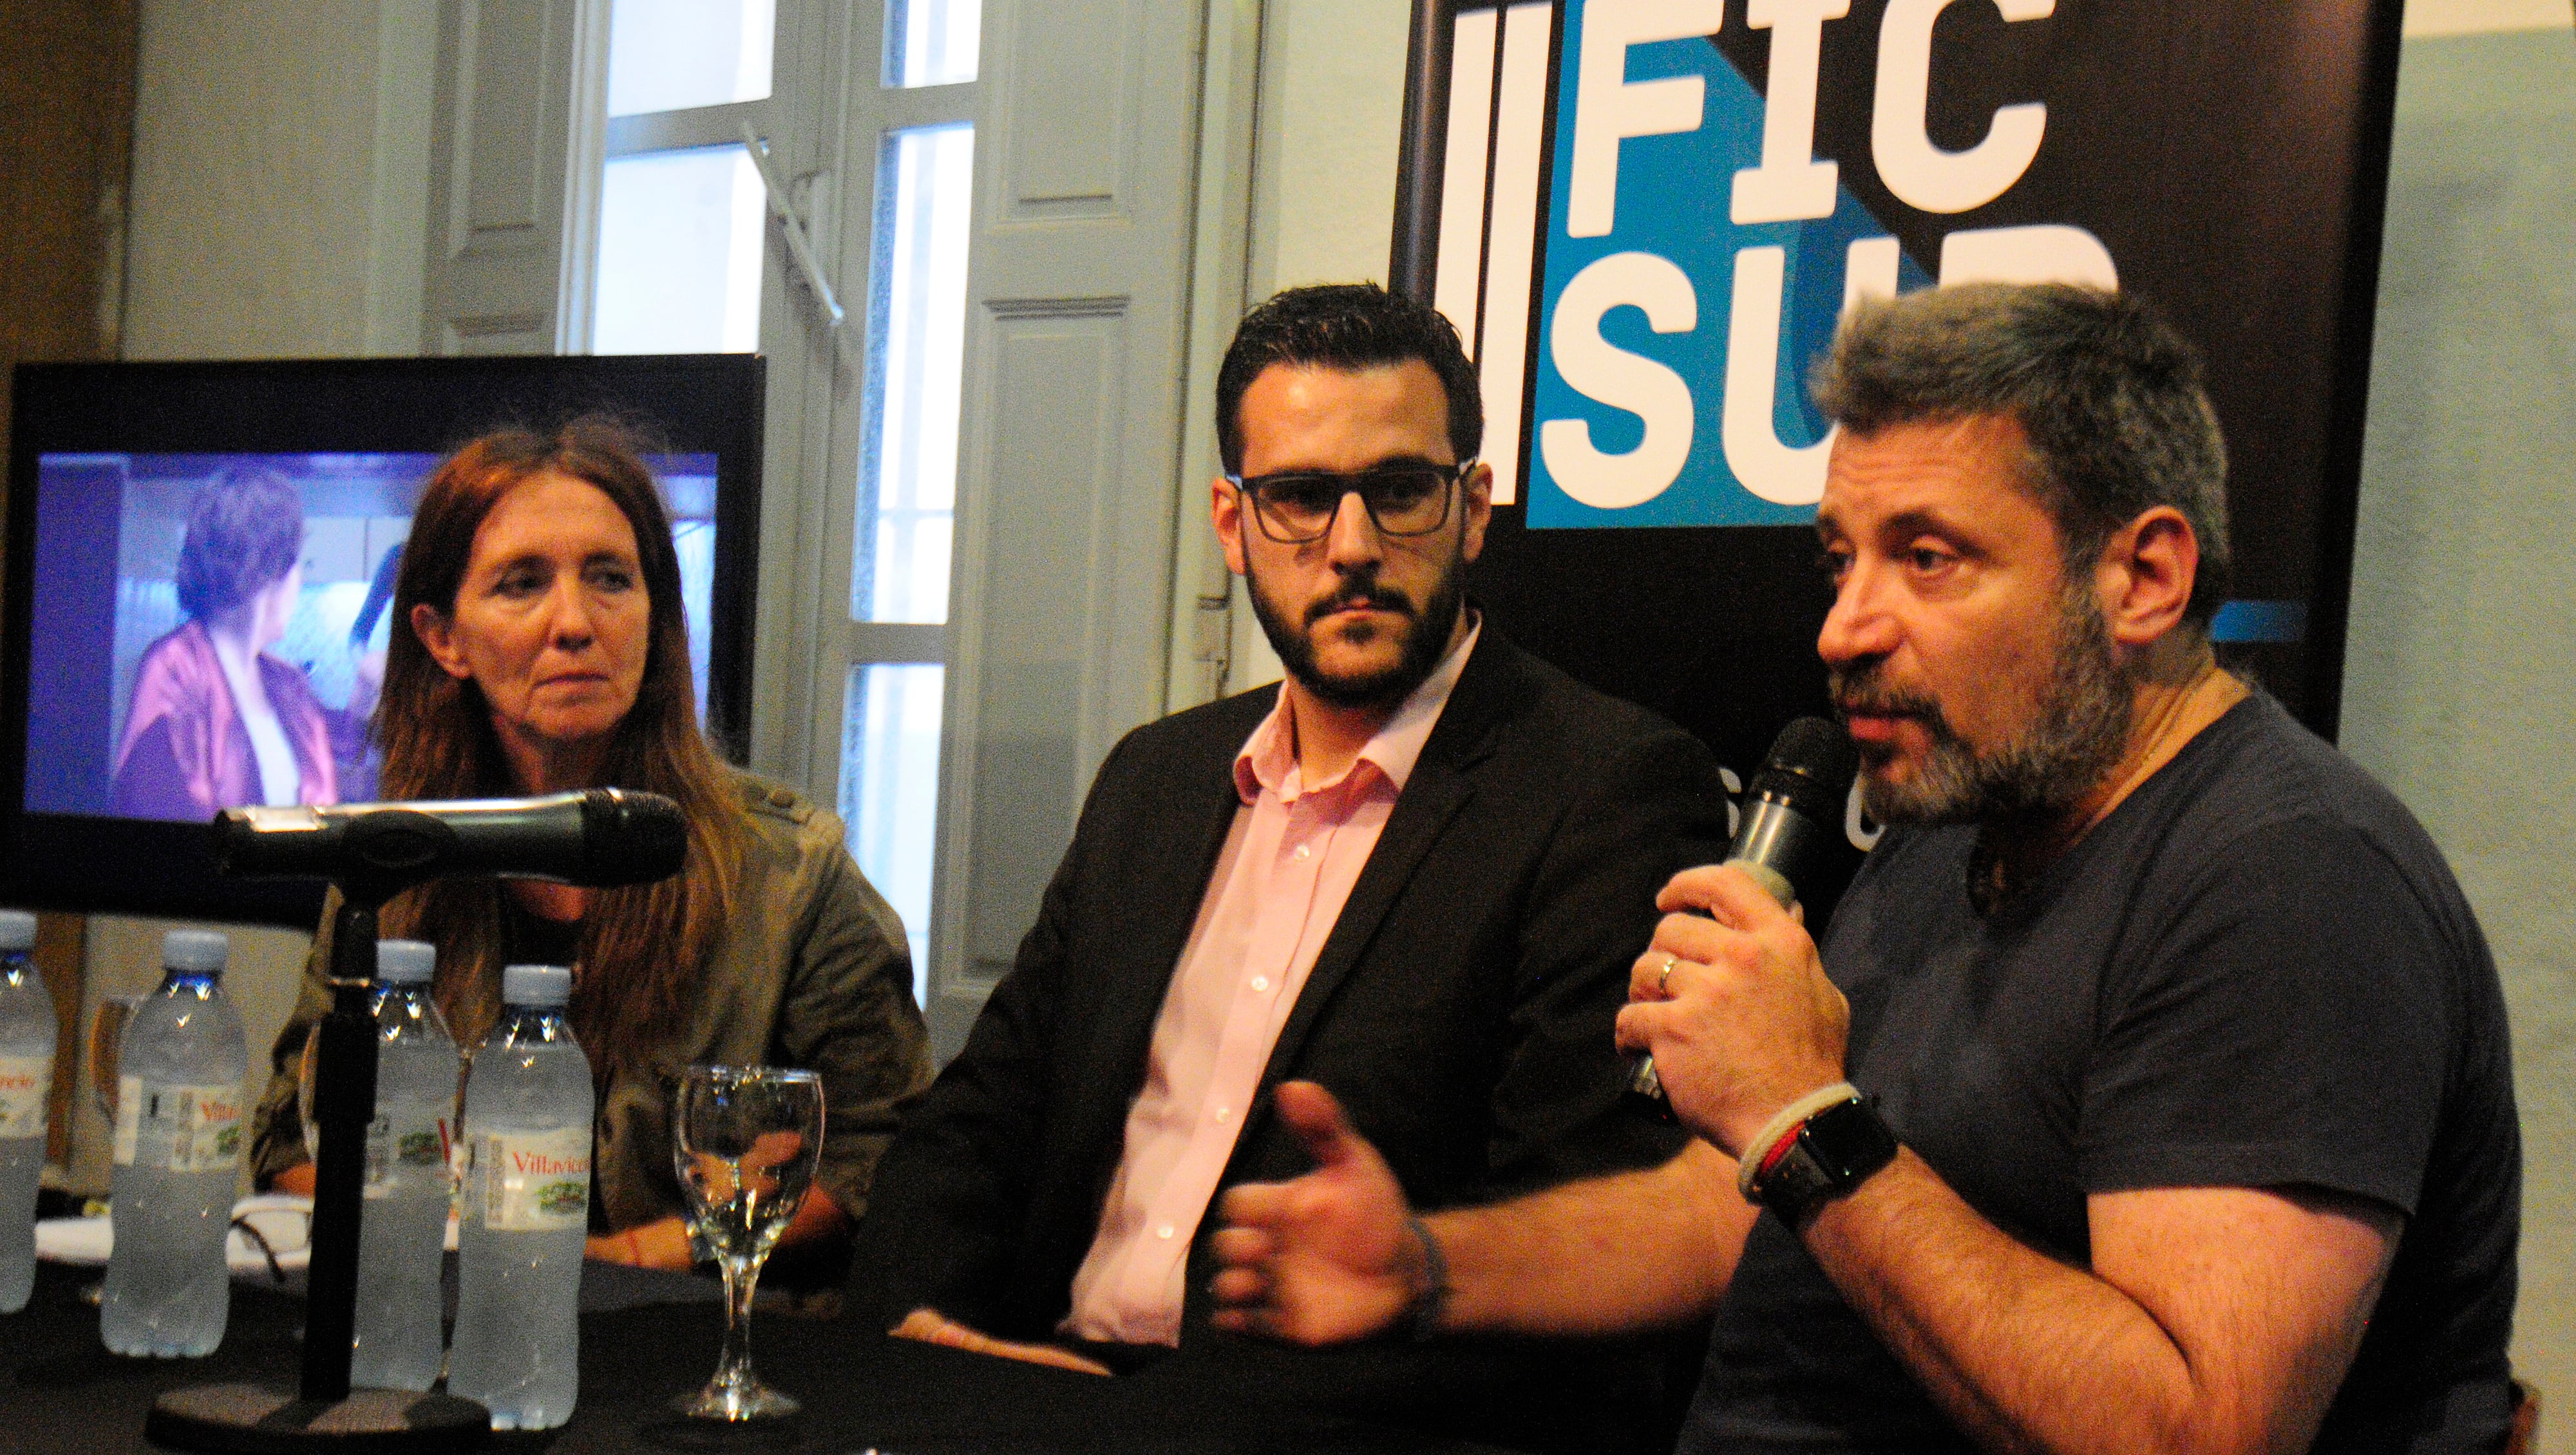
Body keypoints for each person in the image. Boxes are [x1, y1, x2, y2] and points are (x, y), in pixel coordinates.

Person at [1209, 283, 2521, 1454]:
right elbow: (1728, 1220)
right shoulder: (1954, 827)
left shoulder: (2288, 879)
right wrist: (1425, 1266)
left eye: (1927, 559)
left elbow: (2195, 1426)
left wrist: (1801, 1118)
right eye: (1841, 560)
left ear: (2143, 577)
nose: (1844, 627)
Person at [851, 284, 1724, 1448]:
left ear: (1472, 511)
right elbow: (979, 1122)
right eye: (1302, 498)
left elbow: (1573, 1259)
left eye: (1399, 492)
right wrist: (921, 1334)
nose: (1352, 546)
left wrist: (1137, 1430)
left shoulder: (1604, 791)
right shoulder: (1156, 780)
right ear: (1234, 522)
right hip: (1025, 1397)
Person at [250, 420, 933, 1272]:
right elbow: (290, 1140)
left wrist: (632, 1258)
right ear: (442, 637)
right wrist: (444, 1241)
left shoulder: (792, 874)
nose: (573, 622)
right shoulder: (393, 869)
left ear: (657, 617)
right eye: (522, 584)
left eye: (610, 579)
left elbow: (880, 1160)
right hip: (443, 1315)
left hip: (691, 1326)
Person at [113, 465, 359, 820]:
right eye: (298, 562)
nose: (299, 580)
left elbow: (339, 757)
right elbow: (155, 811)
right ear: (272, 567)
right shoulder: (175, 666)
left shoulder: (288, 683)